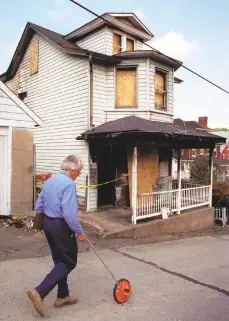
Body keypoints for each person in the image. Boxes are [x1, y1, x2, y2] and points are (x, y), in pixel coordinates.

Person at [27, 155, 86, 317]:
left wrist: (43, 221)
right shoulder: (68, 184)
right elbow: (69, 214)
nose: (78, 175)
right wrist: (79, 232)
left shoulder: (50, 181)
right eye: (79, 172)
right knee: (69, 262)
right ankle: (39, 291)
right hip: (61, 226)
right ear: (72, 170)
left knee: (60, 260)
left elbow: (39, 204)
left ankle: (62, 296)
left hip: (48, 224)